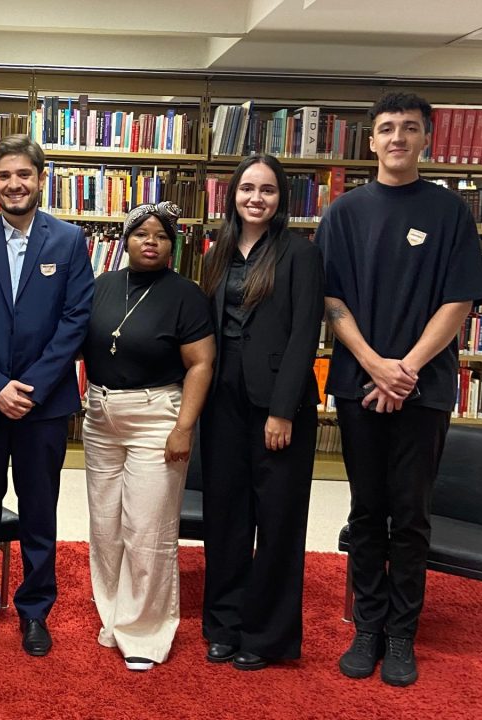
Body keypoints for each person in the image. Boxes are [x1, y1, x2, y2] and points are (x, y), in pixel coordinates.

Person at [317, 92, 482, 687]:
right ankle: (367, 625)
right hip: (357, 385)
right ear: (371, 140)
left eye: (409, 128)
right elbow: (330, 299)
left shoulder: (450, 212)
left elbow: (459, 300)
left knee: (412, 515)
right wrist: (374, 364)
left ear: (425, 139)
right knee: (367, 510)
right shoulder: (343, 213)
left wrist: (405, 369)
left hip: (426, 386)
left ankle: (400, 633)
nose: (397, 138)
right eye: (387, 128)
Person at [0, 134, 95, 657]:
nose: (14, 184)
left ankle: (35, 612)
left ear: (40, 179)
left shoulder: (69, 241)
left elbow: (75, 321)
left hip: (43, 406)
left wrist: (30, 388)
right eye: (4, 175)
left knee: (39, 511)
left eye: (24, 174)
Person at [198, 154, 325, 671]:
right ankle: (224, 625)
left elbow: (305, 334)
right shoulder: (217, 252)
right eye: (247, 188)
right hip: (222, 400)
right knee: (225, 516)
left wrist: (283, 410)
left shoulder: (301, 254)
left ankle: (266, 635)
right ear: (232, 194)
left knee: (277, 520)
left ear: (281, 199)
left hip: (278, 404)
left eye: (267, 190)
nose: (256, 198)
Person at [81, 201, 214, 672]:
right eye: (141, 234)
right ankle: (114, 616)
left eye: (160, 235)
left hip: (157, 418)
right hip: (100, 416)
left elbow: (201, 364)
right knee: (105, 526)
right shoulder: (102, 285)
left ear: (172, 245)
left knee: (147, 528)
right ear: (126, 240)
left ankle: (145, 631)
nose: (150, 242)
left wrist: (184, 428)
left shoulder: (186, 295)